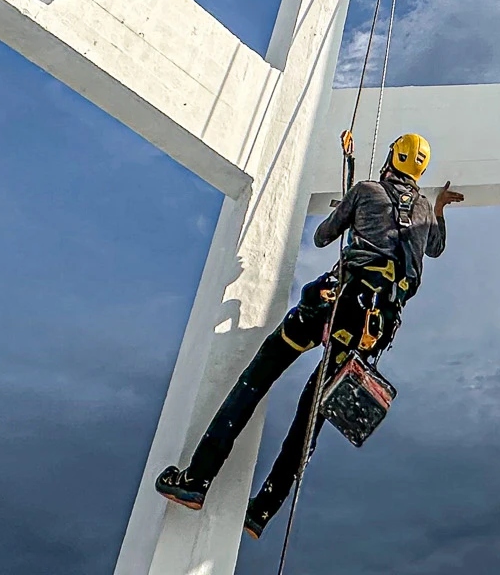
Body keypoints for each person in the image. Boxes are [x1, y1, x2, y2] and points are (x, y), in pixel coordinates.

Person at [154, 132, 463, 534]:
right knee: (313, 413)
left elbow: (322, 238)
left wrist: (350, 211)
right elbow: (434, 247)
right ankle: (262, 510)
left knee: (258, 376)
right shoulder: (422, 210)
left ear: (391, 159)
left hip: (334, 305)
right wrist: (437, 208)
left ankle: (196, 480)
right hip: (373, 330)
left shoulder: (367, 190)